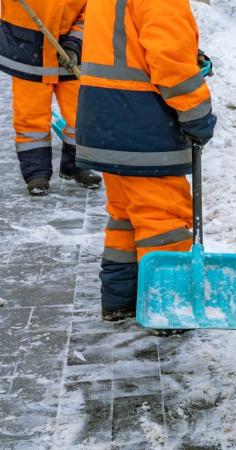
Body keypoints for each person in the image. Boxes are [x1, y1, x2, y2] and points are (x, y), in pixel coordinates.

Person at [75, 0, 216, 321]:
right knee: (163, 220)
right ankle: (170, 310)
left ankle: (119, 302)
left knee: (125, 216)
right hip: (141, 121)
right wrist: (198, 114)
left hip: (107, 119)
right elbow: (170, 62)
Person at [0, 0, 102, 195]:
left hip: (70, 55)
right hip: (27, 53)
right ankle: (36, 173)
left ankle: (76, 164)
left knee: (81, 114)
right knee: (31, 119)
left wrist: (75, 45)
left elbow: (93, 13)